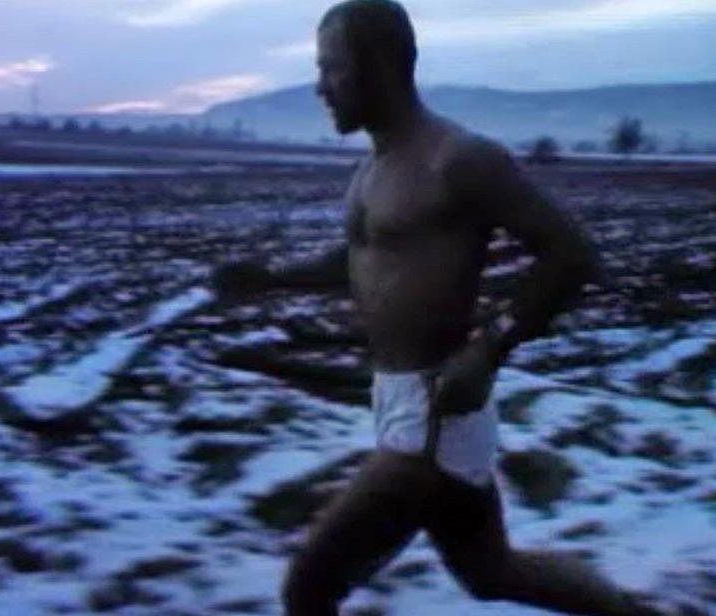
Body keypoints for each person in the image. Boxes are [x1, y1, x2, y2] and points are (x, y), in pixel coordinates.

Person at [215, 1, 664, 614]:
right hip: (399, 402)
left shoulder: (459, 160)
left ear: (379, 66)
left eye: (332, 69)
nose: (320, 88)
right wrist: (264, 278)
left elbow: (571, 254)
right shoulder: (371, 170)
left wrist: (488, 350)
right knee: (490, 572)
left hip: (435, 413)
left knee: (309, 587)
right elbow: (354, 262)